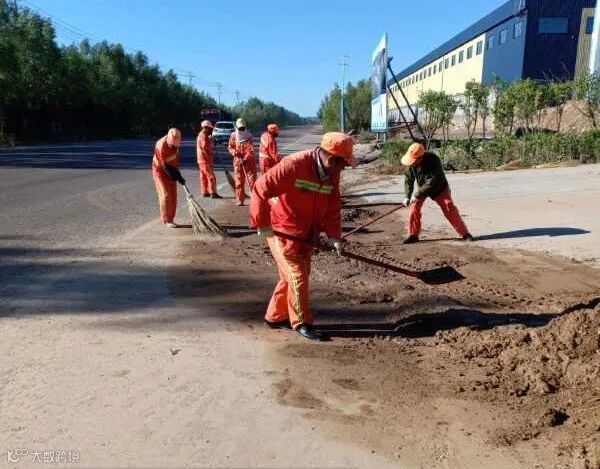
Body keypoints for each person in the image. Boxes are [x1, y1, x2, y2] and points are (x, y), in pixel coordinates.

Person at [250, 132, 356, 341]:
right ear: (332, 159)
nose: (344, 169)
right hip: (282, 230)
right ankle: (301, 322)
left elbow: (332, 205)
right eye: (343, 164)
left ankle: (275, 316)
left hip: (307, 232)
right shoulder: (293, 165)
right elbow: (260, 188)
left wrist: (334, 236)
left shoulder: (331, 173)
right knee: (297, 275)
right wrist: (262, 223)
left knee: (291, 276)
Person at [401, 142, 473, 243]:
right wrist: (407, 196)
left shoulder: (433, 160)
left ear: (420, 157)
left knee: (449, 207)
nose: (413, 162)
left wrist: (417, 195)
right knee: (414, 208)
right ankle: (413, 235)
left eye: (414, 160)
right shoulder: (412, 164)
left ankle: (465, 234)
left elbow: (432, 180)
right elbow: (408, 180)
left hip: (439, 188)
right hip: (423, 189)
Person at [152, 128, 185, 228]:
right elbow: (165, 166)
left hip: (171, 168)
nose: (174, 147)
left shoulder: (176, 143)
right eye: (173, 145)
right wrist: (175, 177)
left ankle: (171, 218)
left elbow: (174, 161)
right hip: (160, 171)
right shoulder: (161, 146)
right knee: (166, 195)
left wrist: (178, 176)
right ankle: (166, 220)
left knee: (173, 195)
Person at [228, 118, 256, 206]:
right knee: (239, 182)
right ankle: (240, 200)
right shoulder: (233, 136)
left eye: (243, 128)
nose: (241, 129)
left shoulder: (248, 136)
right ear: (237, 127)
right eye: (240, 128)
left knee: (252, 181)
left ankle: (255, 200)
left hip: (248, 162)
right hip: (238, 162)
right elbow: (230, 147)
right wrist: (235, 152)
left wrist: (245, 159)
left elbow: (250, 150)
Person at [196, 120, 221, 199]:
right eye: (210, 129)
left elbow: (206, 145)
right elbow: (205, 148)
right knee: (211, 177)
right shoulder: (204, 136)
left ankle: (205, 192)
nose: (211, 130)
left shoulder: (201, 134)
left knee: (203, 176)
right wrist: (209, 160)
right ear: (206, 128)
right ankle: (213, 193)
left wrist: (211, 141)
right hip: (205, 160)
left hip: (200, 160)